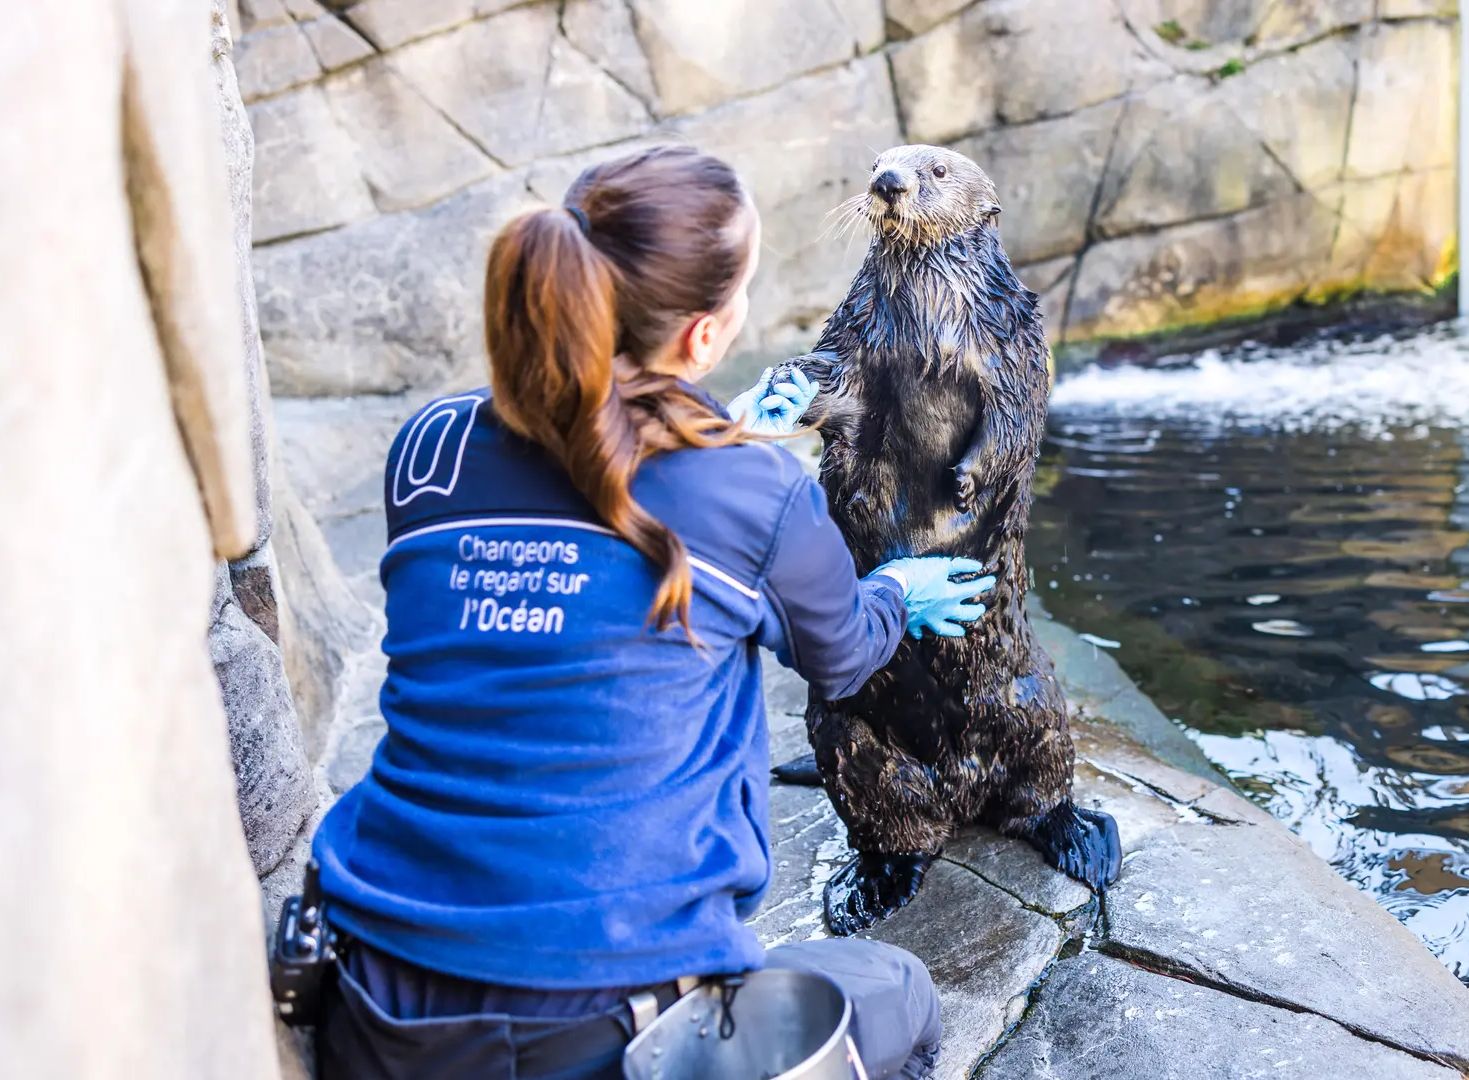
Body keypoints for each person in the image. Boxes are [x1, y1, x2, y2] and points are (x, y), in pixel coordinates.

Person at [308, 146, 989, 1079]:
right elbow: (843, 658)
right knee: (900, 994)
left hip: (374, 996)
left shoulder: (426, 447)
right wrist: (894, 594)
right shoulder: (753, 492)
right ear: (706, 339)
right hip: (613, 1032)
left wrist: (716, 430)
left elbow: (589, 479)